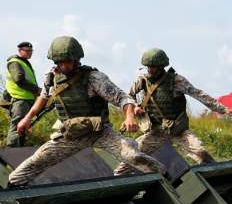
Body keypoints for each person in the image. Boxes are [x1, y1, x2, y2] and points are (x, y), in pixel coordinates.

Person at [7, 36, 164, 187]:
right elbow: (43, 98)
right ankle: (12, 191)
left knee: (132, 155)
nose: (65, 66)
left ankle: (165, 177)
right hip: (71, 134)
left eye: (68, 62)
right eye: (61, 62)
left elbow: (122, 98)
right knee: (36, 161)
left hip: (101, 132)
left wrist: (129, 117)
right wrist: (27, 118)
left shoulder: (94, 78)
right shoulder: (52, 78)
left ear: (76, 60)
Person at [113, 48, 232, 175]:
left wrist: (223, 109)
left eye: (153, 67)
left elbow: (199, 94)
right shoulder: (142, 80)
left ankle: (216, 178)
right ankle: (116, 182)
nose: (150, 69)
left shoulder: (176, 80)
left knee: (201, 153)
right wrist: (136, 106)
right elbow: (128, 97)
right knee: (132, 156)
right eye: (148, 66)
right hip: (156, 131)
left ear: (161, 67)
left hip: (177, 129)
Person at [4, 42, 40, 146]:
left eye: (31, 51)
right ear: (20, 51)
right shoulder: (15, 62)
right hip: (20, 100)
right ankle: (11, 155)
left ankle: (18, 154)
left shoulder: (23, 62)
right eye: (27, 51)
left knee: (22, 128)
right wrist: (36, 90)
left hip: (26, 100)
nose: (30, 53)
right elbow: (19, 79)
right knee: (17, 128)